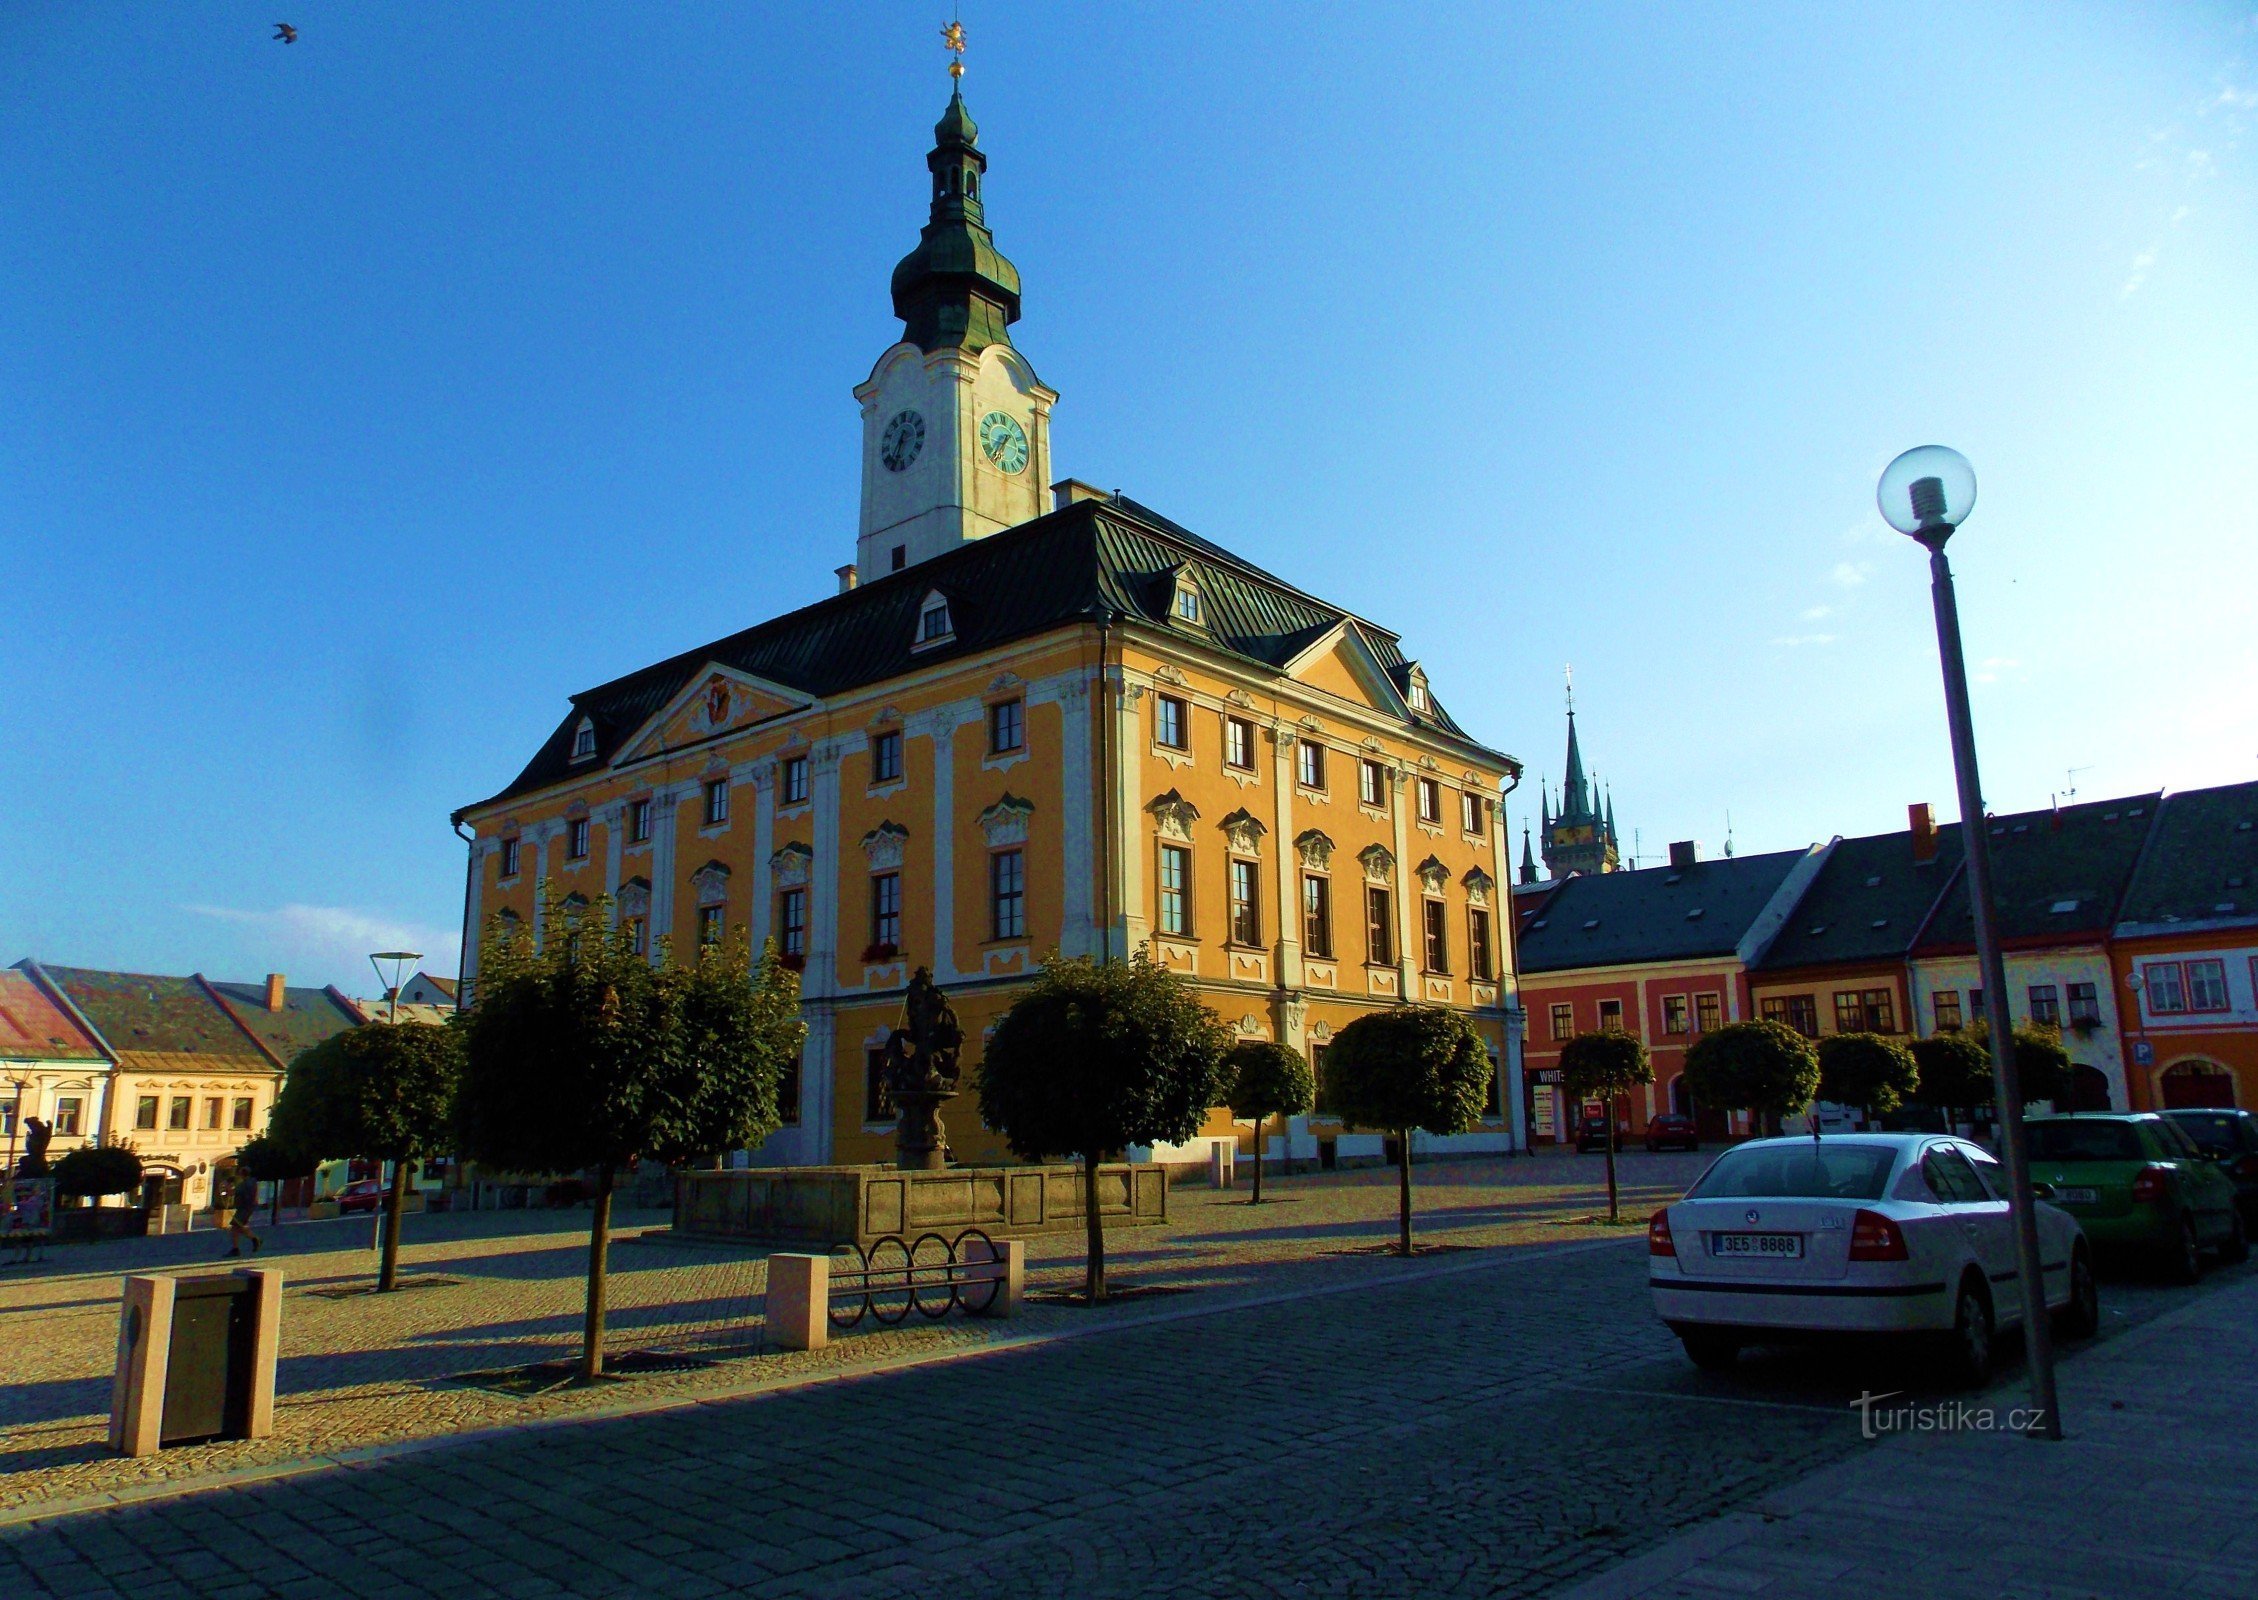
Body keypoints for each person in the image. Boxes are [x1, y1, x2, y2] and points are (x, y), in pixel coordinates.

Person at [224, 1173, 263, 1257]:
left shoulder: (243, 1184)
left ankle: (238, 1248)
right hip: (247, 1208)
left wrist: (227, 1187)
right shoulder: (252, 1182)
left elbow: (232, 1193)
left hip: (243, 1209)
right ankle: (254, 1240)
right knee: (238, 1228)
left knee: (237, 1227)